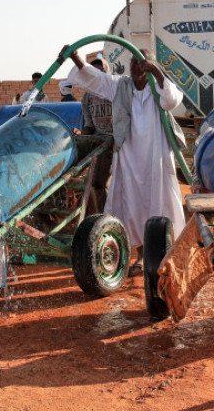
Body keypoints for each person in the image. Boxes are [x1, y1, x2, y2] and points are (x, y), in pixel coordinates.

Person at [64, 46, 187, 269]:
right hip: (129, 156)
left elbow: (171, 101)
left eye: (140, 62)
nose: (134, 66)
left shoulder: (159, 87)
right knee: (133, 204)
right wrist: (76, 58)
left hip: (155, 155)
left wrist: (158, 73)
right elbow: (97, 79)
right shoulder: (120, 85)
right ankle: (141, 257)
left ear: (149, 65)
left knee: (160, 202)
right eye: (132, 62)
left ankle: (165, 254)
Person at [79, 52, 115, 214]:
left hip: (120, 142)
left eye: (100, 72)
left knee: (122, 184)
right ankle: (102, 216)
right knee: (96, 184)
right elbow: (89, 124)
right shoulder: (87, 98)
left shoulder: (115, 92)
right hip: (102, 144)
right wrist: (81, 138)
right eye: (93, 73)